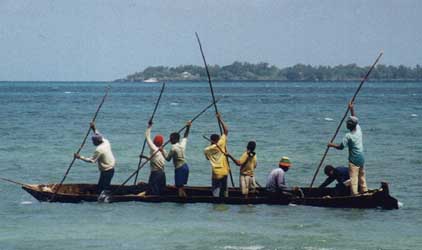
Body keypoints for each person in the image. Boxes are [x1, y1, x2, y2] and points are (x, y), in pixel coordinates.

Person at [328, 102, 368, 196]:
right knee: (362, 177)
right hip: (361, 158)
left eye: (347, 123)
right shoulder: (358, 130)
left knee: (354, 179)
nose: (346, 124)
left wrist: (331, 145)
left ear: (349, 126)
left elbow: (341, 147)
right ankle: (364, 191)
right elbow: (354, 119)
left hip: (353, 160)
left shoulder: (348, 136)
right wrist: (351, 109)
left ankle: (354, 195)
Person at [75, 122, 116, 202]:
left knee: (103, 189)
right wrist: (94, 128)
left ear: (97, 142)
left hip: (107, 170)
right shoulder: (106, 141)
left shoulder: (99, 149)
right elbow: (98, 134)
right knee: (100, 187)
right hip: (110, 168)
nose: (93, 143)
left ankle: (105, 201)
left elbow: (92, 160)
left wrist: (80, 157)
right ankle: (102, 197)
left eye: (93, 141)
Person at [161, 121, 192, 198]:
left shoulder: (173, 148)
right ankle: (184, 200)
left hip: (180, 168)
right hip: (185, 167)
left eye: (171, 139)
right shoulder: (182, 144)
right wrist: (188, 127)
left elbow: (168, 159)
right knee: (181, 187)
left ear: (174, 139)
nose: (170, 140)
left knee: (179, 188)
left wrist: (162, 151)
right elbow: (185, 136)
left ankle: (182, 201)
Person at [204, 113, 230, 198]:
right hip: (224, 171)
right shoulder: (221, 143)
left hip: (216, 173)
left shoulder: (207, 149)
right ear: (218, 140)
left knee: (216, 191)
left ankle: (216, 205)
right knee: (224, 190)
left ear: (211, 141)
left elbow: (208, 159)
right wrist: (220, 119)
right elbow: (226, 131)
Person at [138, 120, 166, 196]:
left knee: (152, 193)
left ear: (154, 142)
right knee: (160, 191)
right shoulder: (162, 151)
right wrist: (144, 157)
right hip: (162, 174)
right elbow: (154, 159)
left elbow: (147, 137)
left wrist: (149, 126)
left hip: (155, 174)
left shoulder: (154, 149)